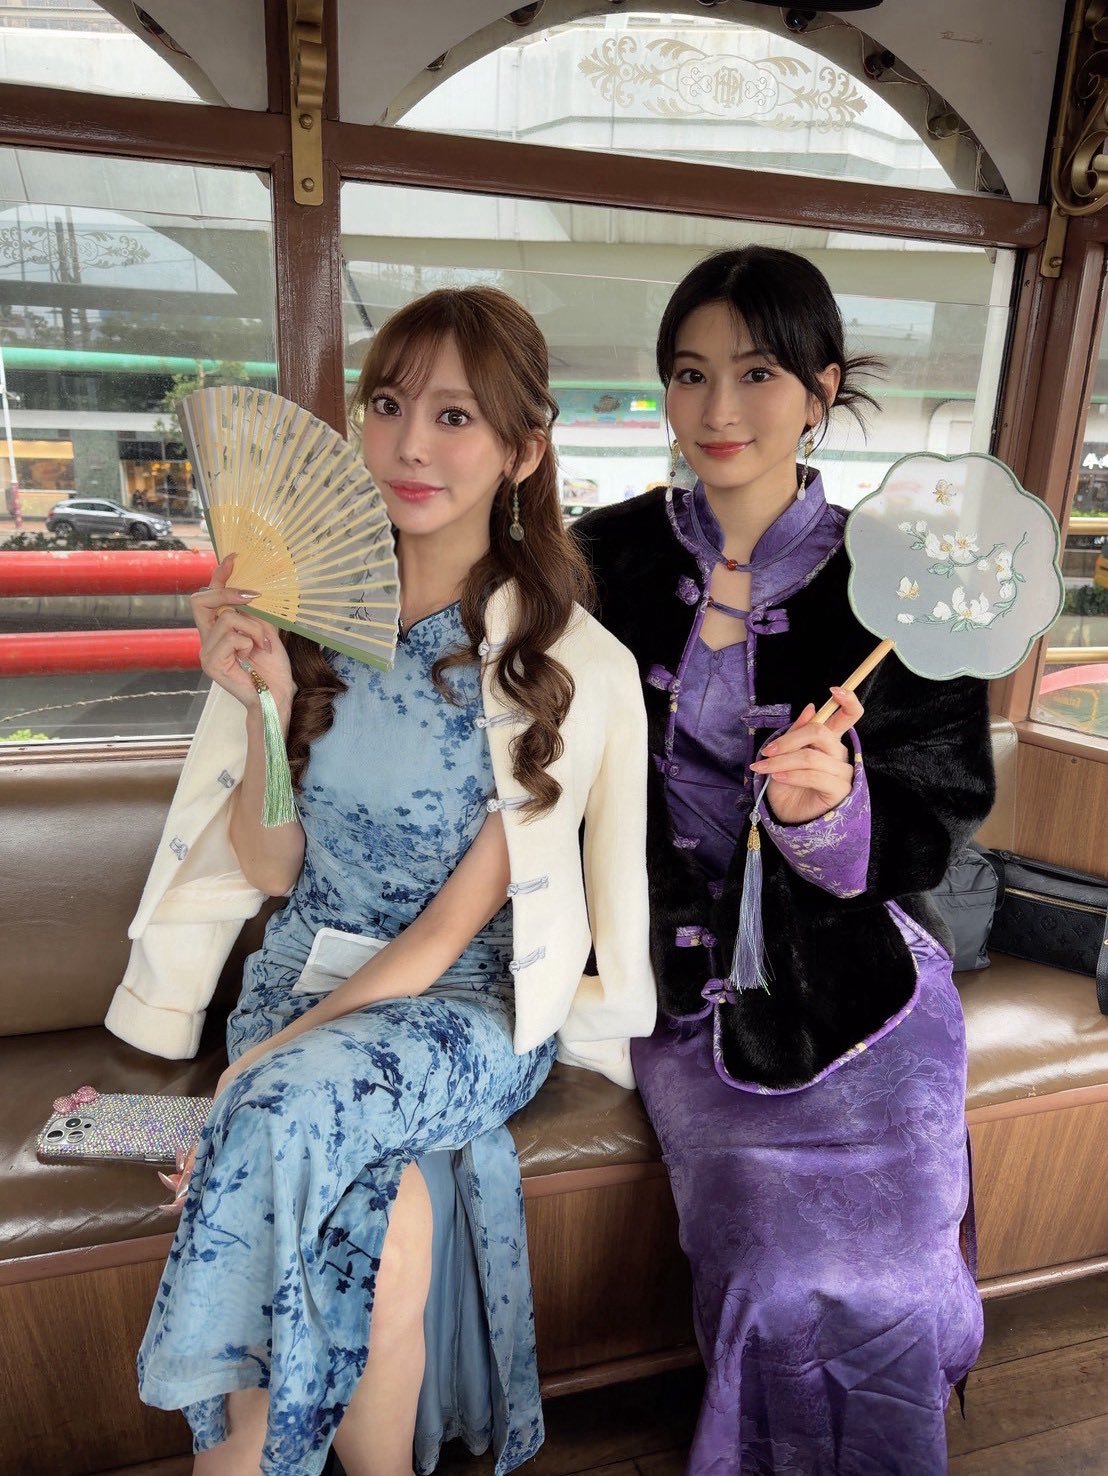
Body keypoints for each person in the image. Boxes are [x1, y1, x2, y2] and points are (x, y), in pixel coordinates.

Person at [104, 286, 655, 1476]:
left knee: (287, 1114)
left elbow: (450, 930)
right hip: (302, 981)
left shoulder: (564, 662)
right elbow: (272, 868)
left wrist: (257, 1077)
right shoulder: (306, 619)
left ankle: (236, 1457)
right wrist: (259, 703)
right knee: (387, 1233)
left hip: (460, 1008)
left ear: (522, 450)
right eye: (389, 405)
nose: (409, 445)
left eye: (456, 417)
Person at [571, 246, 995, 1474]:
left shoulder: (901, 577)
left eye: (756, 373)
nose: (717, 408)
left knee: (892, 1280)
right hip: (679, 991)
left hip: (859, 986)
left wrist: (836, 806)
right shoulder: (596, 561)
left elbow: (944, 806)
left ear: (821, 388)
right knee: (776, 1269)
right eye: (688, 372)